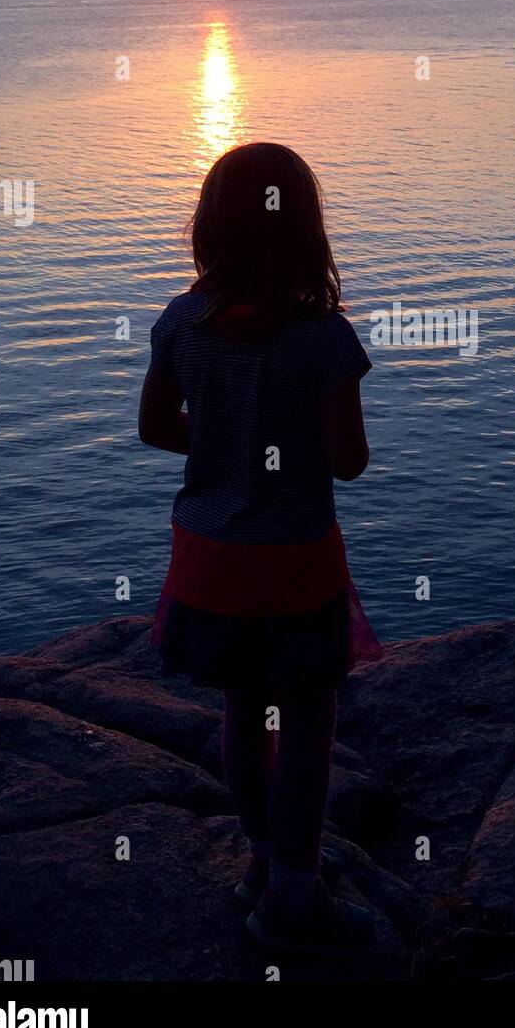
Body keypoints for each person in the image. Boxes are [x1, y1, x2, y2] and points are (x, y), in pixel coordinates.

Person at [138, 141, 377, 953]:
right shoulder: (323, 340)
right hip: (295, 563)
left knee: (242, 710)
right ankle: (294, 897)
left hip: (208, 558)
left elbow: (152, 428)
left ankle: (262, 858)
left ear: (208, 226)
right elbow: (347, 459)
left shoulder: (180, 322)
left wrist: (226, 446)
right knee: (307, 726)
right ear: (306, 228)